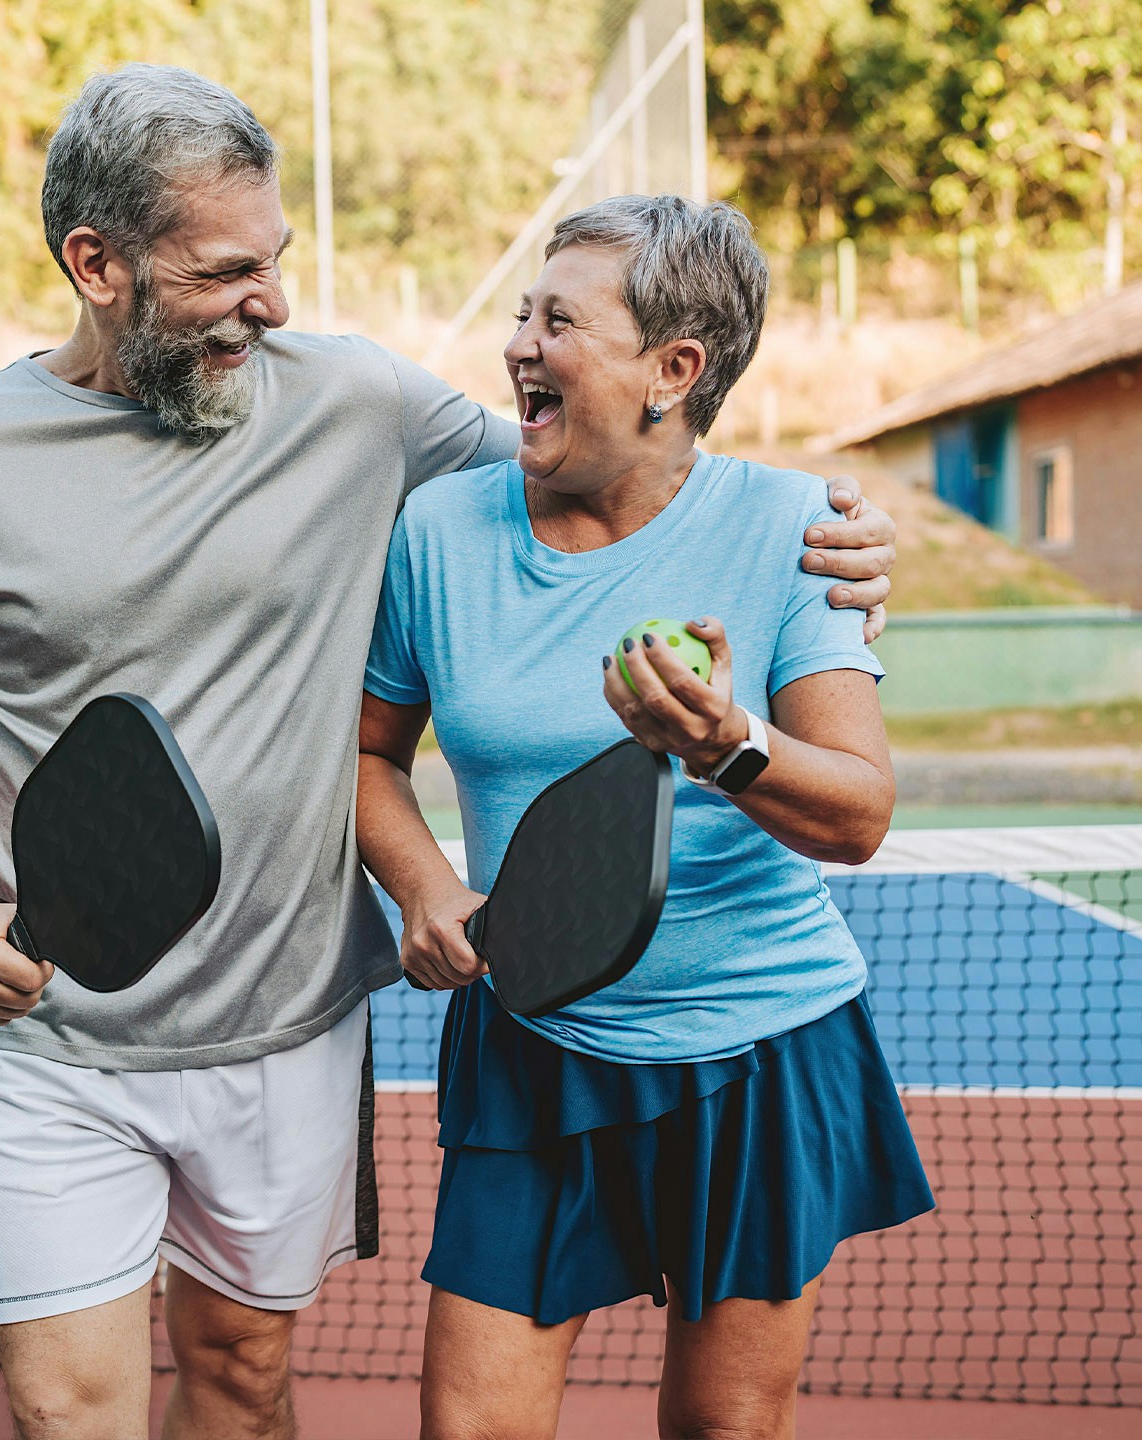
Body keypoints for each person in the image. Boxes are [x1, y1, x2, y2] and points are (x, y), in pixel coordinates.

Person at [0, 65, 898, 1440]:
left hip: (301, 1028)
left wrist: (834, 547)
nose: (272, 303)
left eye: (275, 260)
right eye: (227, 272)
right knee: (73, 1415)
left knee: (249, 1384)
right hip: (62, 1036)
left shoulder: (362, 405)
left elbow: (627, 465)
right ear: (97, 266)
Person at [357, 193, 934, 1440]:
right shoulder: (438, 532)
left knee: (724, 1426)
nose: (519, 343)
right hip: (533, 1037)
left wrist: (728, 747)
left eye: (559, 322)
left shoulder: (796, 531)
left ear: (674, 369)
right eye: (524, 313)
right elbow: (368, 756)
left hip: (759, 1048)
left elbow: (858, 815)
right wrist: (423, 885)